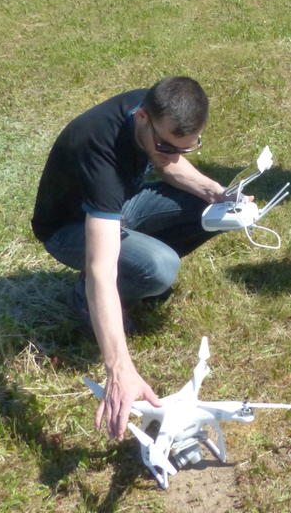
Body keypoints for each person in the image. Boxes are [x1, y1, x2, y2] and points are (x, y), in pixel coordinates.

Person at [32, 76, 234, 438]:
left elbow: (169, 164)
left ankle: (137, 264)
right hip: (69, 228)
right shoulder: (101, 156)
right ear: (142, 117)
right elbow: (100, 269)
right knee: (159, 267)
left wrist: (219, 194)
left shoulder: (158, 108)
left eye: (185, 148)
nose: (172, 155)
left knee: (209, 212)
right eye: (164, 145)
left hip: (121, 206)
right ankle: (84, 298)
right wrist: (119, 369)